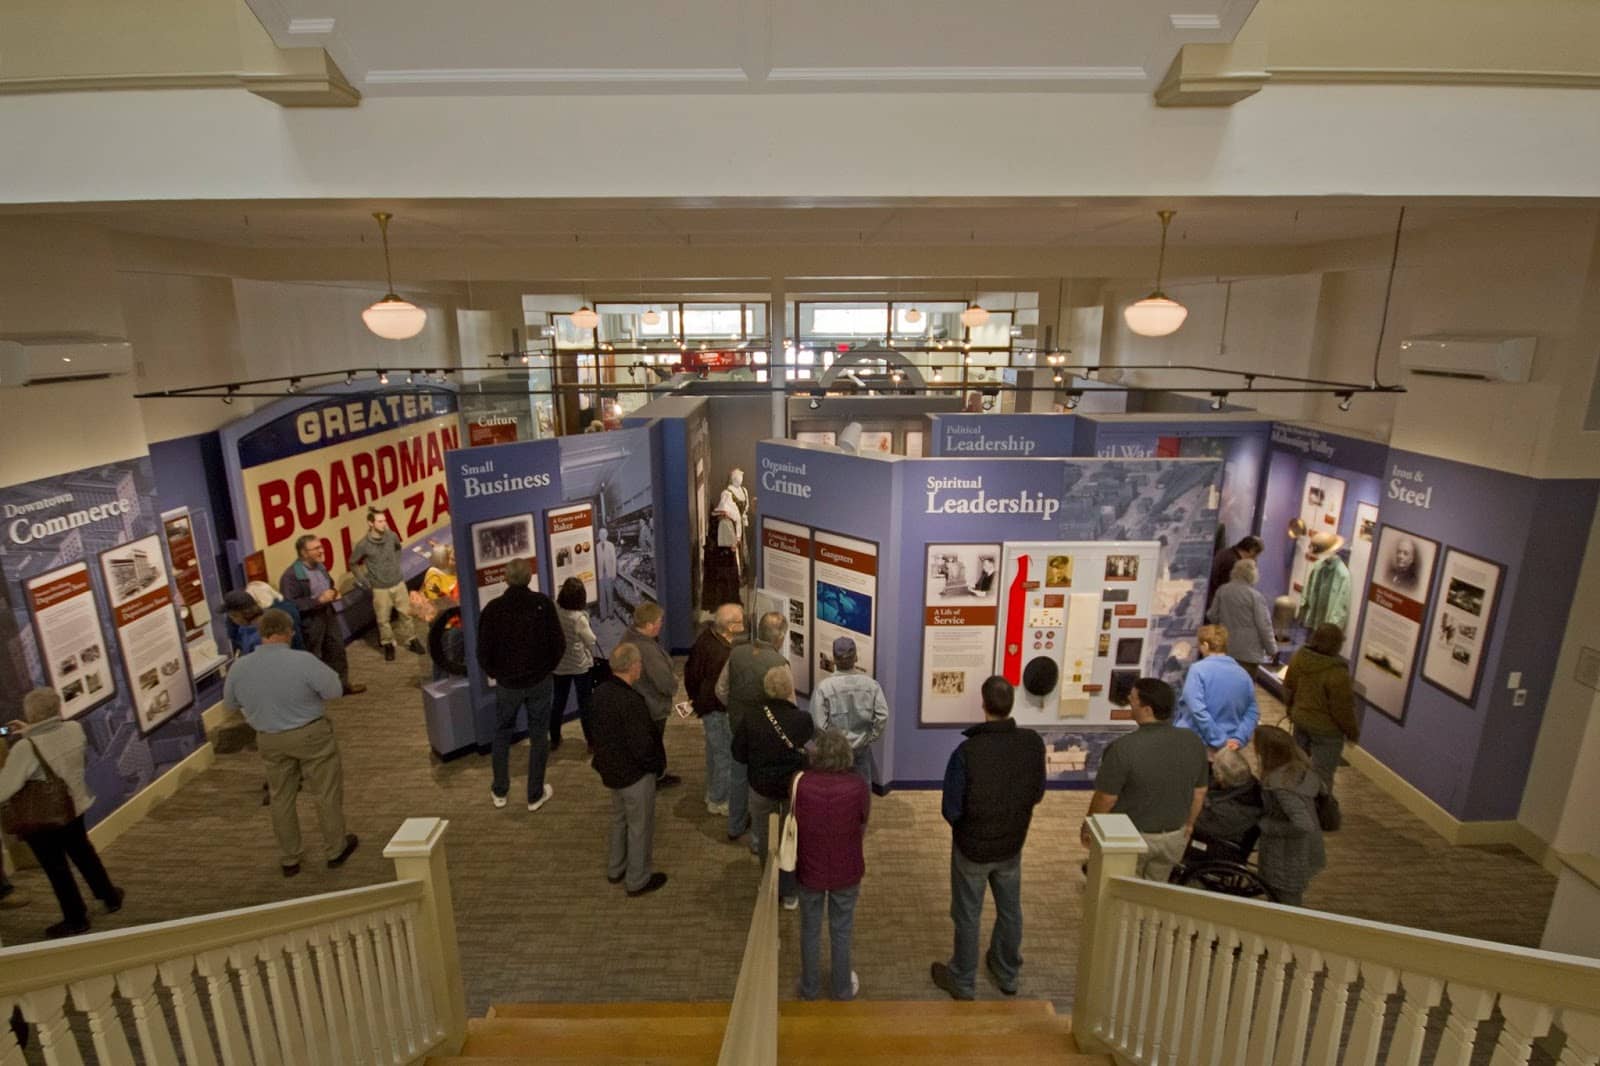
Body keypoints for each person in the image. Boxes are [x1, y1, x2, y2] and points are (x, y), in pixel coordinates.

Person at [931, 676, 1045, 1001]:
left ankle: (963, 979)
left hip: (972, 848)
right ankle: (1007, 972)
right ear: (1011, 704)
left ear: (983, 704)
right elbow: (1037, 793)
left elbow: (951, 809)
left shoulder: (967, 751)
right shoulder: (1032, 743)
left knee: (967, 913)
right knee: (1010, 909)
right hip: (1012, 844)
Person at [221, 609, 359, 876]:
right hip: (311, 735)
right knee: (325, 793)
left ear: (262, 634)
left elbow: (230, 704)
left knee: (281, 797)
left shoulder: (239, 667)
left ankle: (290, 858)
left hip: (269, 739)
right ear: (287, 632)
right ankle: (335, 849)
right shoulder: (303, 661)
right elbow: (334, 690)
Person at [0, 689, 124, 938]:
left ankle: (75, 918)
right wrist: (29, 730)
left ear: (30, 713)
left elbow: (5, 788)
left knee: (57, 869)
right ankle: (108, 895)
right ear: (58, 709)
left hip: (44, 820)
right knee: (84, 853)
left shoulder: (25, 748)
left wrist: (26, 737)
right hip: (74, 807)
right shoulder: (75, 729)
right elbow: (52, 744)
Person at [1082, 678, 1209, 882]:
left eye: (1132, 699)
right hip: (1175, 836)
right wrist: (1189, 824)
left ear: (1147, 709)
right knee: (1153, 896)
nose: (1129, 702)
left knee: (1117, 896)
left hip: (1130, 838)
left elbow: (1106, 798)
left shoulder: (1123, 748)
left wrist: (1089, 826)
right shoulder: (1193, 742)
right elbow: (1199, 792)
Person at [476, 556, 564, 812]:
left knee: (502, 734)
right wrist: (546, 669)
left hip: (507, 686)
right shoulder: (542, 605)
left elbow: (482, 652)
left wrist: (498, 673)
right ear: (529, 577)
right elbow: (558, 644)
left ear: (505, 578)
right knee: (539, 736)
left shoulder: (492, 609)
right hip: (539, 681)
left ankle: (500, 790)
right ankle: (534, 795)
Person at [793, 728, 870, 1001]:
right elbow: (862, 821)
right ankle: (842, 989)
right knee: (842, 929)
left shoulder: (801, 784)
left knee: (810, 928)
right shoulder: (858, 785)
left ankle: (810, 988)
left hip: (809, 867)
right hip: (846, 868)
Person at [589, 643, 668, 897]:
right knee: (639, 826)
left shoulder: (599, 693)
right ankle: (637, 879)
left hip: (612, 771)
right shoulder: (631, 701)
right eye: (639, 665)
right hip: (634, 774)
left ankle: (616, 867)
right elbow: (642, 745)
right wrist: (655, 767)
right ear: (633, 667)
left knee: (619, 818)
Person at [732, 666, 814, 908]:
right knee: (792, 838)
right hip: (792, 789)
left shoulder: (752, 717)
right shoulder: (802, 720)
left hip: (761, 787)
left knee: (765, 837)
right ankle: (790, 893)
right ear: (790, 689)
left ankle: (769, 884)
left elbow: (738, 753)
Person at [716, 611, 789, 844]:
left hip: (736, 726)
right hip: (763, 736)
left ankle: (734, 826)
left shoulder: (736, 653)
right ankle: (758, 839)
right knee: (759, 785)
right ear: (779, 638)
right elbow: (789, 703)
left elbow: (721, 690)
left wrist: (735, 710)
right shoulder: (779, 663)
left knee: (737, 777)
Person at [279, 534, 365, 695]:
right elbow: (291, 605)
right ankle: (313, 692)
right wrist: (318, 601)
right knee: (313, 656)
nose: (322, 551)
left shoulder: (320, 567)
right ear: (304, 553)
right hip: (310, 621)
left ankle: (341, 685)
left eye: (321, 547)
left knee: (336, 650)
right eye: (316, 548)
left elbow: (329, 583)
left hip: (328, 614)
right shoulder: (291, 576)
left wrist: (332, 592)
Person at [1283, 623, 1360, 797]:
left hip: (1301, 719)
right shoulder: (1337, 673)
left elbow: (1289, 687)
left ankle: (1292, 801)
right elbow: (1342, 709)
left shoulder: (1299, 658)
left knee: (1297, 766)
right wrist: (1352, 733)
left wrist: (1290, 708)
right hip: (1326, 731)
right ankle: (1319, 811)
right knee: (1323, 775)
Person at [1253, 724, 1327, 906]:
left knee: (1285, 904)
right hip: (1296, 854)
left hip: (1285, 857)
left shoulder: (1281, 784)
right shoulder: (1300, 771)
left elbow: (1303, 824)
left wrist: (1268, 826)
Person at [685, 603, 744, 816]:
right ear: (730, 626)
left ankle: (712, 792)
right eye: (740, 621)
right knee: (724, 757)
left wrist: (695, 699)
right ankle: (719, 800)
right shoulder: (724, 654)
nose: (744, 624)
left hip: (706, 707)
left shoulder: (705, 639)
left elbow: (690, 673)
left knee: (713, 752)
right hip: (718, 711)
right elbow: (723, 689)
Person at [809, 636, 888, 788]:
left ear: (834, 658)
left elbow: (818, 724)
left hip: (834, 751)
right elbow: (882, 715)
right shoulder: (871, 685)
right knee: (863, 787)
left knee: (835, 789)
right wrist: (871, 737)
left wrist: (830, 743)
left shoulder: (824, 687)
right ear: (856, 657)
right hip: (861, 746)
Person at [618, 602, 681, 789]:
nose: (661, 624)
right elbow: (663, 681)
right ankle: (655, 777)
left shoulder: (629, 637)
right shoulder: (647, 650)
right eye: (659, 621)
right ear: (648, 625)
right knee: (653, 743)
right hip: (651, 706)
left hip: (639, 703)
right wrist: (674, 683)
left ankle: (656, 774)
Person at [349, 507, 425, 662]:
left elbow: (398, 548)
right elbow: (353, 563)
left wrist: (395, 564)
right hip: (380, 588)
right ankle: (388, 644)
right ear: (371, 523)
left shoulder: (392, 536)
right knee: (383, 619)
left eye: (384, 520)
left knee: (406, 614)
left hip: (398, 583)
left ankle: (412, 639)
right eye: (380, 521)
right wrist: (364, 581)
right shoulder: (363, 545)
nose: (384, 524)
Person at [1174, 624, 1259, 752]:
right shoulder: (1243, 674)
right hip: (1229, 748)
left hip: (1195, 744)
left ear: (1206, 646)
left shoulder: (1198, 670)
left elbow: (1197, 710)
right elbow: (1252, 712)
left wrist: (1219, 740)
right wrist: (1238, 738)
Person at [552, 577, 603, 752]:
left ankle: (555, 738)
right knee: (585, 703)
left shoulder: (556, 609)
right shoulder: (579, 618)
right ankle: (591, 741)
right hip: (580, 665)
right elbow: (591, 640)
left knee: (558, 701)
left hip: (560, 664)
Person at [1206, 558, 1277, 683]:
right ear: (1253, 574)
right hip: (1248, 652)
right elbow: (1264, 626)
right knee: (1243, 689)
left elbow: (1212, 615)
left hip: (1226, 647)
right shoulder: (1255, 596)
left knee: (1224, 685)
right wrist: (1272, 649)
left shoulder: (1223, 590)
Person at [1192, 746, 1263, 858]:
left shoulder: (1234, 809)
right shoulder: (1245, 782)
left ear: (1221, 779)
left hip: (1217, 846)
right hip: (1221, 828)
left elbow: (1198, 822)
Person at [222, 583, 303, 657]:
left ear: (244, 614)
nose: (232, 621)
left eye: (233, 617)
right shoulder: (244, 628)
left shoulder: (267, 632)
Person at [1207, 535, 1264, 610]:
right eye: (1256, 555)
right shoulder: (1234, 564)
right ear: (1251, 550)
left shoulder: (1225, 552)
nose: (1255, 559)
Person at [595, 527, 619, 621]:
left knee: (609, 594)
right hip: (600, 575)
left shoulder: (611, 545)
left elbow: (614, 560)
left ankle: (611, 613)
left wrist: (614, 573)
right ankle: (603, 615)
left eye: (604, 533)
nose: (603, 535)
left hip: (609, 574)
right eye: (601, 534)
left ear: (607, 535)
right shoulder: (596, 547)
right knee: (602, 596)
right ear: (599, 535)